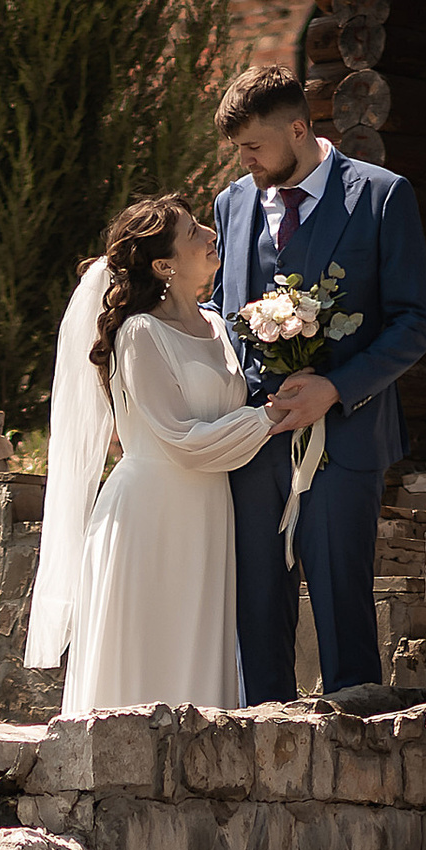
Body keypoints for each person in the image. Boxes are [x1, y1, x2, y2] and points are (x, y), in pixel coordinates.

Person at [213, 62, 426, 704]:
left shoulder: (382, 196)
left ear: (299, 127)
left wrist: (335, 389)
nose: (247, 162)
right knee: (255, 614)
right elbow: (228, 318)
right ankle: (260, 756)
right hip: (252, 448)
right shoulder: (233, 205)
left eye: (255, 147)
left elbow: (414, 324)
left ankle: (358, 769)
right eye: (240, 151)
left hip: (347, 442)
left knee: (343, 611)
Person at [26, 192, 277, 716]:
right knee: (144, 658)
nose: (212, 235)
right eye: (194, 234)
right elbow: (181, 440)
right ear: (165, 265)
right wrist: (271, 419)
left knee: (197, 653)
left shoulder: (220, 326)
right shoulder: (139, 333)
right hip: (148, 514)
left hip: (208, 513)